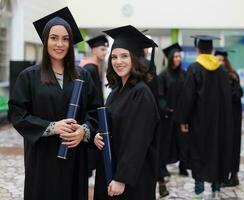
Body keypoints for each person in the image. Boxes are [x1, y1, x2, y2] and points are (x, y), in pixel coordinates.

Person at [8, 7, 99, 200]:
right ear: (45, 41)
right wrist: (52, 127)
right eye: (54, 38)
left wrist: (83, 131)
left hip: (74, 157)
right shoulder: (29, 76)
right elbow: (17, 114)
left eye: (65, 38)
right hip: (43, 158)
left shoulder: (83, 76)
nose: (60, 44)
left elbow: (95, 111)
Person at [93, 25, 160, 200]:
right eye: (114, 57)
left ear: (135, 59)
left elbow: (138, 141)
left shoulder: (141, 93)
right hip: (111, 169)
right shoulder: (116, 91)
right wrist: (98, 136)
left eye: (124, 56)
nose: (118, 61)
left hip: (132, 177)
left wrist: (122, 178)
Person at [174, 35, 233, 199]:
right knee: (217, 151)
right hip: (219, 122)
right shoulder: (221, 70)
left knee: (198, 152)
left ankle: (199, 190)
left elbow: (188, 97)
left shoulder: (194, 68)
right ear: (212, 50)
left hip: (199, 122)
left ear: (198, 50)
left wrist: (183, 119)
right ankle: (215, 187)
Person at [157, 43, 188, 197]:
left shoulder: (185, 74)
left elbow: (188, 94)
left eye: (179, 56)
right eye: (175, 56)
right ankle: (163, 167)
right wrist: (166, 109)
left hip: (181, 115)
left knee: (182, 141)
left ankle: (183, 166)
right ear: (170, 58)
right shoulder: (163, 75)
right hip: (168, 115)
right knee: (166, 142)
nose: (177, 59)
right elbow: (160, 95)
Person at [80, 34, 109, 178]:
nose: (105, 53)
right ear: (94, 50)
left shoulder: (93, 66)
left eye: (106, 50)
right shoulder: (90, 68)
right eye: (102, 49)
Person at [215, 49, 243, 187]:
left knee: (233, 144)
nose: (220, 62)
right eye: (218, 60)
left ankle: (234, 175)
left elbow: (238, 94)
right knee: (221, 145)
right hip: (220, 117)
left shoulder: (233, 76)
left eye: (222, 60)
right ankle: (222, 175)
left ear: (226, 62)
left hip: (233, 116)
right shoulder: (213, 75)